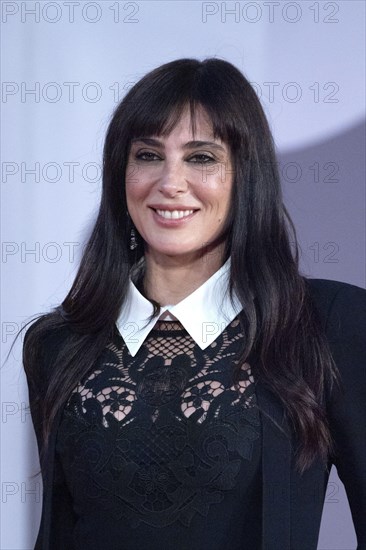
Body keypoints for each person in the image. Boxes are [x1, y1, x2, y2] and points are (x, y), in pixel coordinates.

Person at [22, 58, 365, 550]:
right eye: (147, 155)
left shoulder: (328, 324)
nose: (170, 183)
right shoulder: (57, 344)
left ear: (246, 175)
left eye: (201, 157)